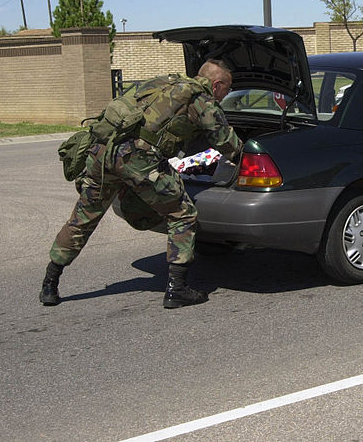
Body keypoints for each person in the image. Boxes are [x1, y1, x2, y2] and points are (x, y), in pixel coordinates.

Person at [40, 59, 242, 309]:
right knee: (183, 214)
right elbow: (225, 140)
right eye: (228, 89)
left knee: (83, 218)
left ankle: (50, 284)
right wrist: (244, 156)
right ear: (217, 84)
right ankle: (176, 289)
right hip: (137, 159)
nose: (227, 94)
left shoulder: (163, 82)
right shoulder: (201, 99)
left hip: (103, 153)